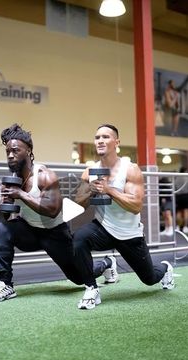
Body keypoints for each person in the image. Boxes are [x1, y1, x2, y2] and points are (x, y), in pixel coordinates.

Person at [0, 123, 112, 304]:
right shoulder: (12, 180)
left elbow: (53, 211)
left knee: (78, 277)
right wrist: (5, 201)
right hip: (29, 231)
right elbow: (1, 218)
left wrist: (20, 194)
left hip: (54, 233)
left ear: (28, 150)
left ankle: (106, 263)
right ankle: (5, 283)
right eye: (8, 152)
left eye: (15, 150)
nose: (11, 155)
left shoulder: (45, 175)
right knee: (4, 229)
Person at [73, 123, 175, 310]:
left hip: (129, 234)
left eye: (106, 137)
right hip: (103, 228)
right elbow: (78, 204)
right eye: (97, 137)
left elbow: (136, 206)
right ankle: (91, 289)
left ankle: (165, 268)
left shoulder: (130, 169)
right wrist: (91, 192)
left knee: (149, 278)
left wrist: (109, 190)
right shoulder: (89, 171)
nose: (100, 141)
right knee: (79, 238)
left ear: (116, 142)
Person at [175, 166, 188, 234]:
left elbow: (174, 187)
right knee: (186, 211)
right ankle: (185, 227)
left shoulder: (176, 178)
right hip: (186, 196)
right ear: (185, 171)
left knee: (178, 212)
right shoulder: (187, 177)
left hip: (178, 196)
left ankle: (178, 226)